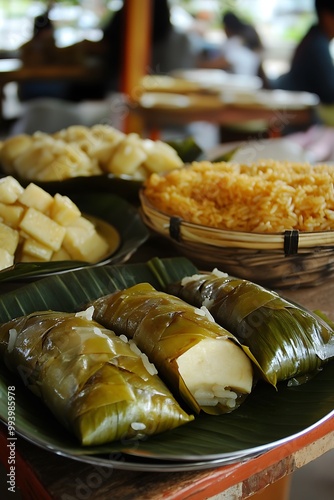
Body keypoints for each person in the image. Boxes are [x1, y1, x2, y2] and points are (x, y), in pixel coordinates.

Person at [271, 0, 334, 104]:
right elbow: (330, 93)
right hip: (293, 108)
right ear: (327, 17)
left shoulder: (315, 38)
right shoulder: (317, 45)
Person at [198, 11, 264, 77]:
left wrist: (197, 62)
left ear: (226, 28)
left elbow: (216, 64)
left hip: (240, 84)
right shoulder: (244, 41)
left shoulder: (234, 43)